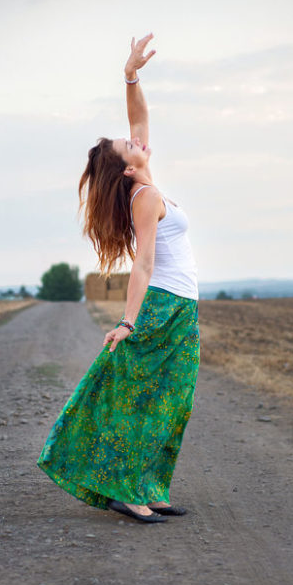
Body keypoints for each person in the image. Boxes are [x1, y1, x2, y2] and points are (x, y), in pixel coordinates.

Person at [37, 33, 200, 524]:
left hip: (182, 307)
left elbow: (139, 118)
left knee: (172, 403)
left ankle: (151, 488)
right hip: (162, 307)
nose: (137, 140)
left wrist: (130, 76)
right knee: (140, 401)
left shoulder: (147, 182)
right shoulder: (145, 198)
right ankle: (127, 491)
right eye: (128, 145)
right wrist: (129, 321)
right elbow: (143, 265)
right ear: (127, 167)